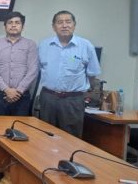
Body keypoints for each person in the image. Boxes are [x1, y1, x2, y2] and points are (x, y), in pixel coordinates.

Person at [38, 10, 101, 138]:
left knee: (71, 139)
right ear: (53, 26)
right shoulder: (44, 45)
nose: (64, 25)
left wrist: (89, 91)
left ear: (74, 25)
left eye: (68, 22)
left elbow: (92, 73)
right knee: (45, 137)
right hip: (48, 98)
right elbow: (39, 70)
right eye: (60, 22)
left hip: (73, 100)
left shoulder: (86, 46)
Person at [0, 11, 38, 116]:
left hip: (22, 96)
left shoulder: (30, 44)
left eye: (17, 22)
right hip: (0, 95)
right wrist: (6, 90)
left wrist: (19, 91)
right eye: (10, 22)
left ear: (23, 26)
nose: (13, 25)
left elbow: (33, 70)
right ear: (5, 26)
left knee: (19, 129)